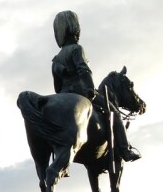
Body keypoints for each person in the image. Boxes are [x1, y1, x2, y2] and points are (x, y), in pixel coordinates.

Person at [51, 11, 141, 162]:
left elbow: (57, 86)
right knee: (115, 113)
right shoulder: (76, 49)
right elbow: (84, 70)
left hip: (63, 96)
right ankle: (125, 151)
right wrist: (90, 90)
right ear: (74, 28)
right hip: (81, 93)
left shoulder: (56, 59)